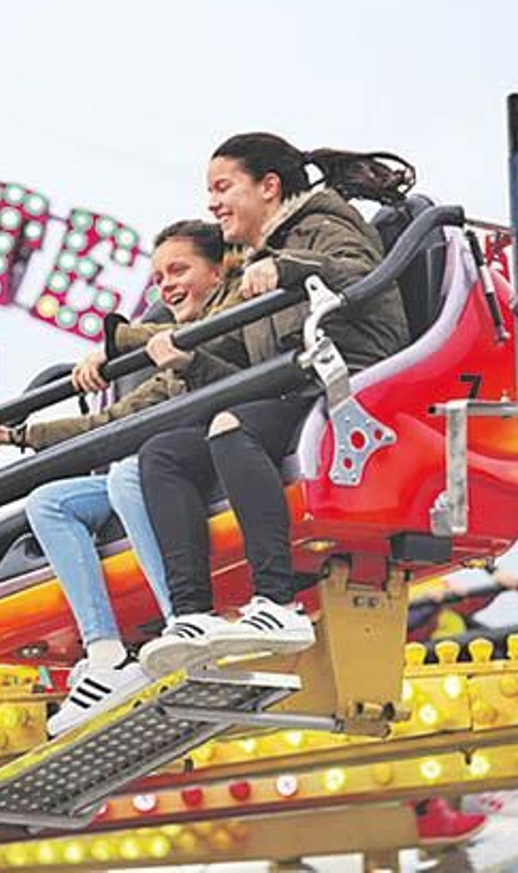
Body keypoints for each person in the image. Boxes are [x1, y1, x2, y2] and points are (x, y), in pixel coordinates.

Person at [0, 220, 244, 734]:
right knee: (52, 502)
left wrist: (116, 345)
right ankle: (106, 653)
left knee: (128, 474)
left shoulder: (230, 316)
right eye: (158, 276)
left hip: (210, 456)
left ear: (217, 272)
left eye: (179, 269)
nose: (166, 285)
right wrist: (9, 436)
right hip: (159, 469)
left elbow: (226, 369)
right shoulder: (169, 352)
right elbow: (111, 421)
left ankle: (184, 629)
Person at [137, 133, 413, 676]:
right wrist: (187, 361)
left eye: (223, 187)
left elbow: (360, 276)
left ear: (268, 187)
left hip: (353, 383)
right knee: (164, 454)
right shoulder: (260, 257)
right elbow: (241, 371)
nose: (213, 203)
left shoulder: (324, 226)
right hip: (294, 390)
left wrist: (289, 268)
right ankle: (193, 614)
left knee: (230, 424)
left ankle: (277, 601)